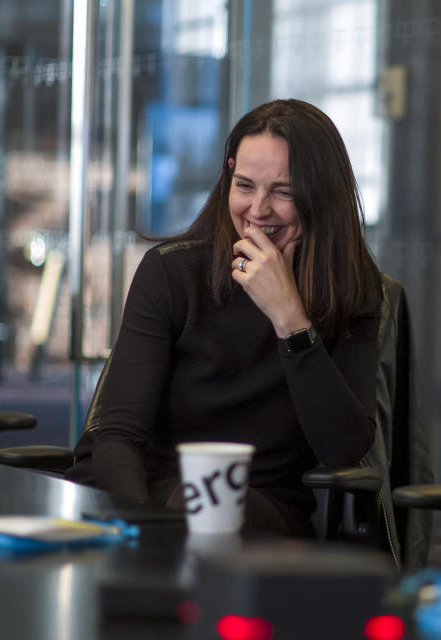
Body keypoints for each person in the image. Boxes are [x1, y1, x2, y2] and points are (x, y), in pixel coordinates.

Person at [65, 99, 382, 537]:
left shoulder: (352, 288)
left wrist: (289, 318)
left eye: (284, 192)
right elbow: (119, 434)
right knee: (190, 506)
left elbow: (344, 449)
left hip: (261, 509)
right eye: (245, 185)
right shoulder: (173, 273)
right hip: (146, 494)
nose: (258, 209)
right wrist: (137, 527)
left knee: (213, 507)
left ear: (321, 196)